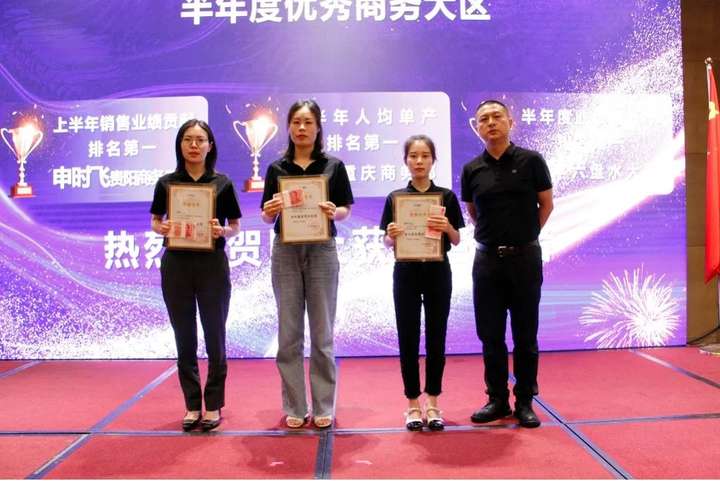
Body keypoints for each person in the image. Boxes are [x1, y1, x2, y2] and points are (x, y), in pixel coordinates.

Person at [261, 99, 354, 429]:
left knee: (322, 333)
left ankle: (324, 404)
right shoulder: (277, 168)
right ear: (288, 127)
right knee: (288, 334)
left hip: (322, 251)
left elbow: (345, 209)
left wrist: (333, 211)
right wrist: (270, 211)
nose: (301, 128)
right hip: (285, 250)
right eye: (296, 122)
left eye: (308, 122)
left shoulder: (333, 166)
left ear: (318, 127)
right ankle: (296, 406)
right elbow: (266, 215)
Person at [461, 100, 553, 428]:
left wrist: (524, 236)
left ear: (510, 122)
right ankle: (497, 399)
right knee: (491, 335)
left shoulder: (532, 161)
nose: (491, 123)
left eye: (497, 116)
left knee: (525, 335)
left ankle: (525, 401)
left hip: (525, 259)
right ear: (477, 127)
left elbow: (546, 204)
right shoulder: (472, 169)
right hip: (487, 261)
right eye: (483, 119)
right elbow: (473, 212)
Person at [150, 119, 241, 431]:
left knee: (215, 336)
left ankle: (213, 405)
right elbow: (155, 221)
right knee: (184, 337)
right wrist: (161, 227)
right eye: (188, 139)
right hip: (176, 264)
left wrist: (222, 230)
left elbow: (235, 226)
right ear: (180, 145)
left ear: (210, 146)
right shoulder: (166, 183)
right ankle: (191, 405)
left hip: (212, 265)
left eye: (200, 140)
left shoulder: (223, 183)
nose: (194, 145)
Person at [380, 135, 464, 431]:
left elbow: (457, 239)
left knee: (436, 337)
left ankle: (434, 402)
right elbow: (387, 241)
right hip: (406, 273)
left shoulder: (446, 197)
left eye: (425, 156)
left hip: (438, 271)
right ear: (406, 161)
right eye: (413, 156)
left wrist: (448, 227)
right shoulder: (395, 198)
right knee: (408, 338)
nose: (419, 161)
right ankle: (413, 404)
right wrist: (391, 235)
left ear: (433, 160)